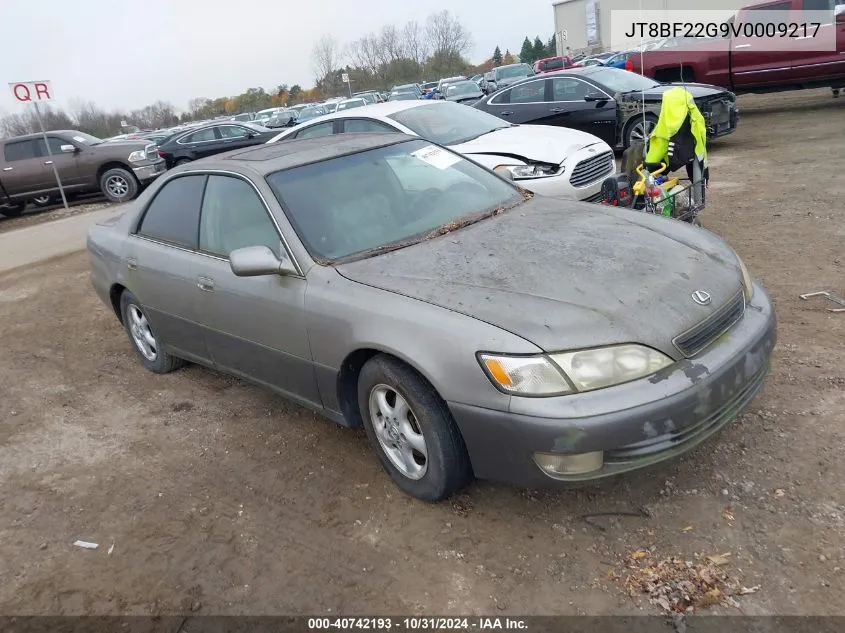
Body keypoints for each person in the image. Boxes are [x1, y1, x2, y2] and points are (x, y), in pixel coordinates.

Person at [644, 86, 709, 205]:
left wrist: (648, 168)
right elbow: (700, 148)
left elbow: (654, 156)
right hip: (689, 158)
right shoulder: (694, 119)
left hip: (673, 160)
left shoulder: (666, 126)